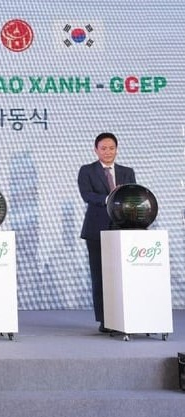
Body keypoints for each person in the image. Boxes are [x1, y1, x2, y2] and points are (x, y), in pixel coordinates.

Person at [77, 132, 135, 333]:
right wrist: (110, 197)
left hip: (122, 230)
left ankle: (123, 316)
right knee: (100, 275)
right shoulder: (87, 171)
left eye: (111, 148)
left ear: (116, 150)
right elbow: (87, 195)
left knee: (122, 274)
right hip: (96, 229)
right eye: (103, 148)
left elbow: (132, 196)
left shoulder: (127, 172)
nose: (108, 152)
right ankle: (105, 320)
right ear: (96, 150)